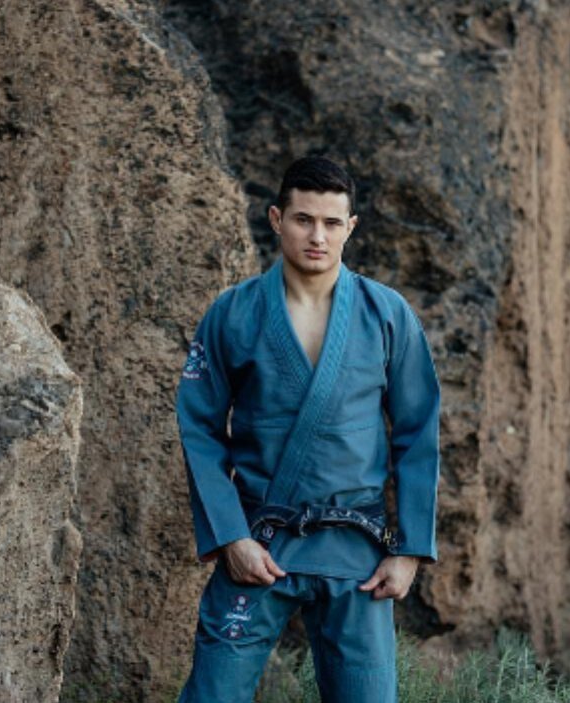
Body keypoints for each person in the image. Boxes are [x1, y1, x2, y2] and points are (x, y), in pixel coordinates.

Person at [175, 155, 440, 703]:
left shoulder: (387, 314)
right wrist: (230, 537)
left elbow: (418, 433)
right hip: (261, 543)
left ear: (350, 227)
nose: (317, 236)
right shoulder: (234, 313)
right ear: (276, 219)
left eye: (331, 223)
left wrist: (410, 549)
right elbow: (200, 428)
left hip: (358, 553)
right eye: (303, 219)